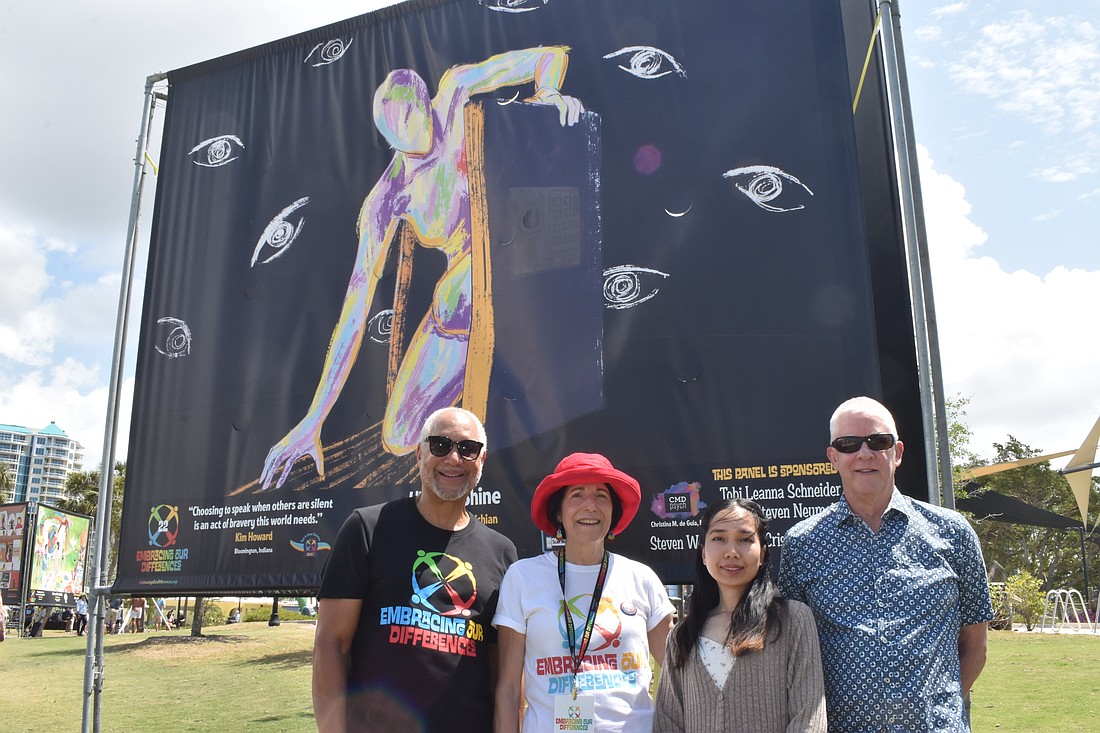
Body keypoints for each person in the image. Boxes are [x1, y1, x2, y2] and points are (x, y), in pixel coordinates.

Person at [260, 47, 585, 490]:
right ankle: (472, 429)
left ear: (425, 107)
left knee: (456, 293)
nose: (413, 156)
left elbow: (548, 56)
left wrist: (548, 93)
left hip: (520, 253)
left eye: (416, 135)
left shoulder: (454, 91)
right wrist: (312, 421)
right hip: (461, 304)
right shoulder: (388, 196)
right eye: (399, 147)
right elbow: (354, 312)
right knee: (399, 434)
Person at [778, 396, 994, 732]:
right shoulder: (801, 544)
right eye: (848, 444)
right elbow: (792, 655)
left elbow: (975, 646)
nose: (864, 453)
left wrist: (938, 711)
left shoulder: (953, 533)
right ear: (833, 458)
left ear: (898, 452)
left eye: (878, 441)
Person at [313, 407, 517, 733]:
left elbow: (500, 673)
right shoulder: (367, 529)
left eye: (467, 448)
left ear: (482, 460)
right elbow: (330, 645)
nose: (453, 458)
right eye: (440, 445)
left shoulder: (502, 553)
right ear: (419, 453)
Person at [494, 453, 674, 733]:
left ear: (613, 509)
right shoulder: (522, 578)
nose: (590, 506)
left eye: (601, 496)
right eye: (577, 495)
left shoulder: (641, 578)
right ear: (558, 511)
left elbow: (682, 672)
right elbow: (507, 689)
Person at [654, 499, 826, 732]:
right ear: (704, 554)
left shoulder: (793, 619)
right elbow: (668, 722)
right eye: (719, 538)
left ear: (763, 554)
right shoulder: (681, 637)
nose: (732, 552)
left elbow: (809, 717)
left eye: (745, 539)